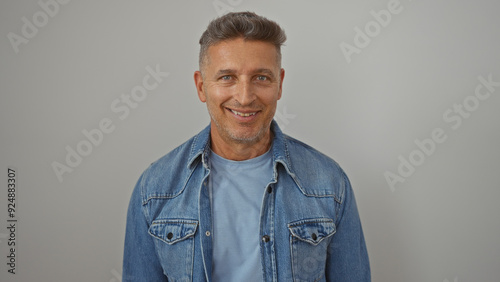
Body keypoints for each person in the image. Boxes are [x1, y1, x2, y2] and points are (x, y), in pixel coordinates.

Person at [123, 11, 370, 281]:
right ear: (201, 86)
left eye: (261, 77)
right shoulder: (155, 189)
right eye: (227, 77)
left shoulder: (329, 183)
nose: (244, 97)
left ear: (279, 84)